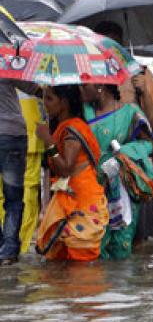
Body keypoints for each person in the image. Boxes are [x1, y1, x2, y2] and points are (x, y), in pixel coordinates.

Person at [81, 83, 153, 260]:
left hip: (121, 189)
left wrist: (121, 154)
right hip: (89, 188)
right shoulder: (81, 112)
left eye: (85, 85)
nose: (81, 89)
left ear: (101, 87)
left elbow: (149, 145)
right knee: (90, 245)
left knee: (121, 245)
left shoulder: (131, 113)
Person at [35, 85, 109, 261]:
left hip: (82, 203)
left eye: (50, 99)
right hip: (71, 201)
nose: (45, 103)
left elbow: (66, 168)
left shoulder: (72, 129)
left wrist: (48, 141)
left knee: (80, 270)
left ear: (64, 103)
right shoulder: (64, 127)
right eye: (44, 98)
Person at [0, 78, 41, 265]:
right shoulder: (5, 63)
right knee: (14, 199)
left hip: (13, 134)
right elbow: (35, 89)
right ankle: (8, 250)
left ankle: (5, 244)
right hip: (13, 134)